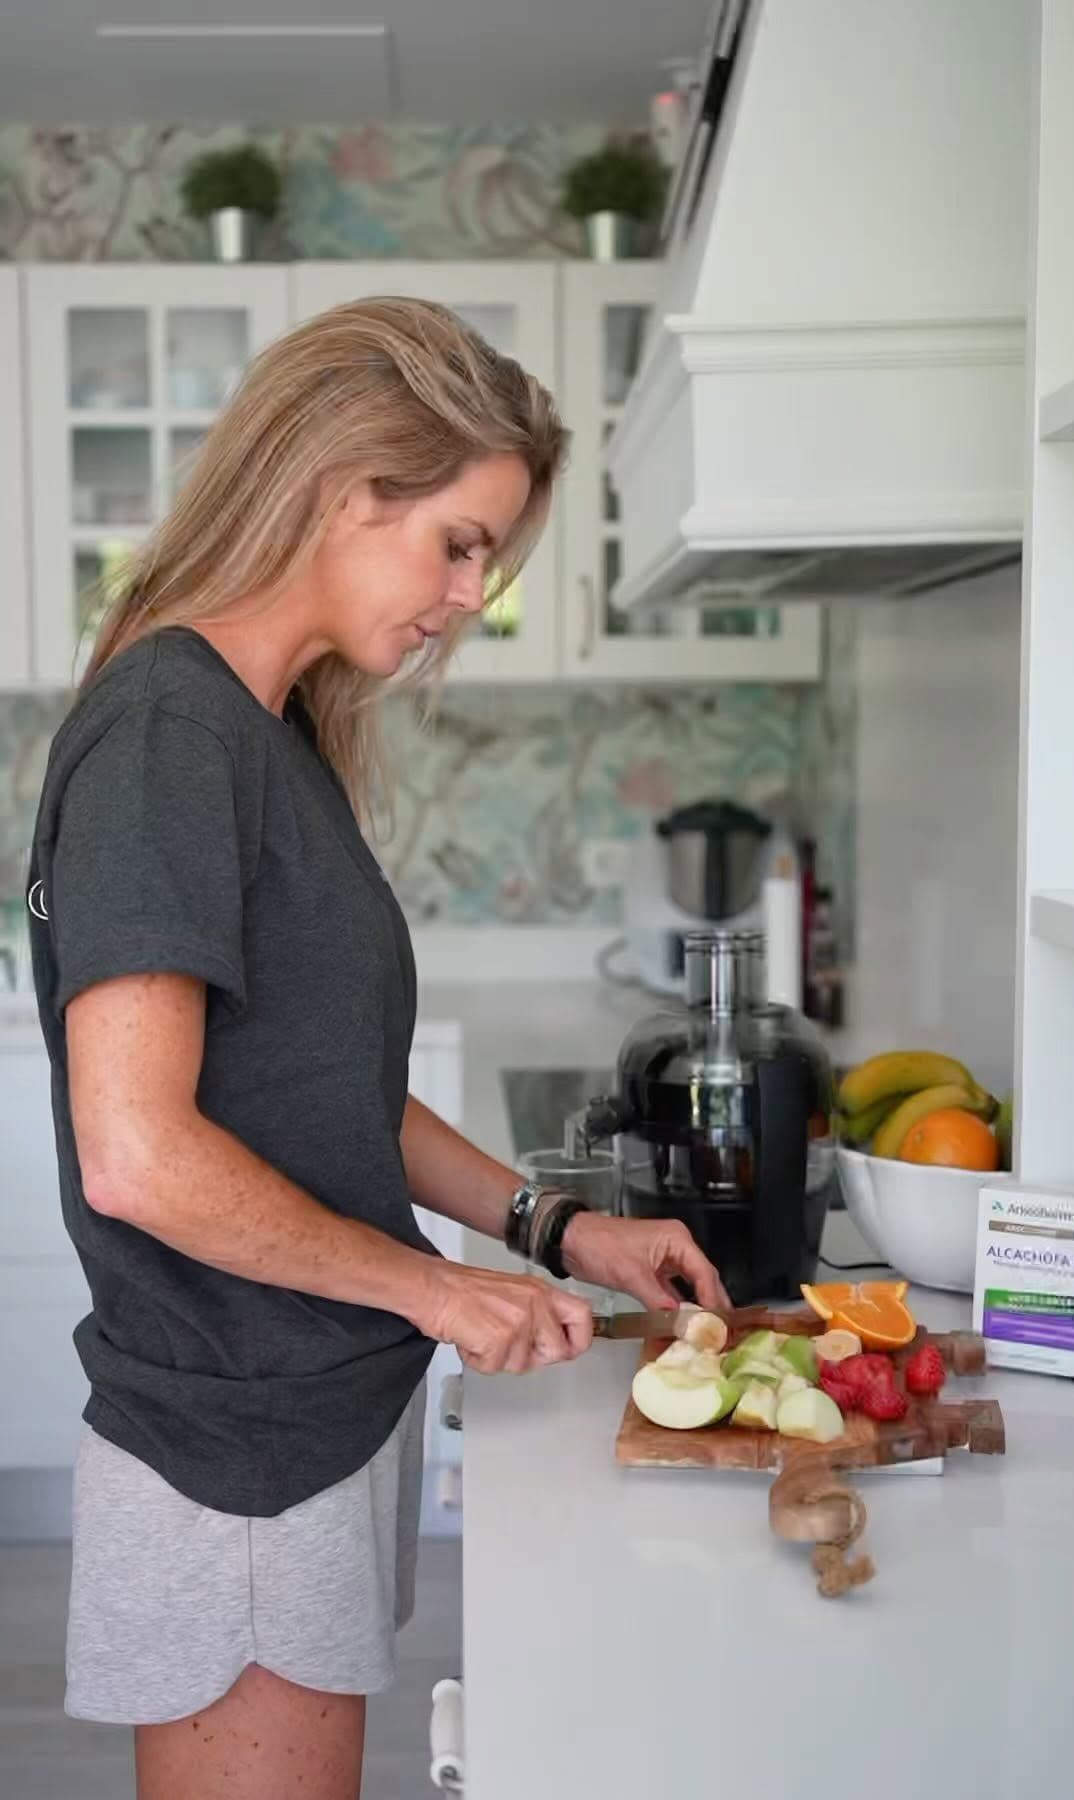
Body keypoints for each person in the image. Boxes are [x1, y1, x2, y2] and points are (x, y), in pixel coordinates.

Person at [26, 297, 726, 1800]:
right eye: (461, 544)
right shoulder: (169, 736)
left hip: (311, 1408)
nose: (472, 596)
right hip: (239, 1440)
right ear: (351, 487)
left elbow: (324, 1091)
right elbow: (137, 1152)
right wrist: (434, 1288)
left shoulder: (265, 731)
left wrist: (558, 1227)